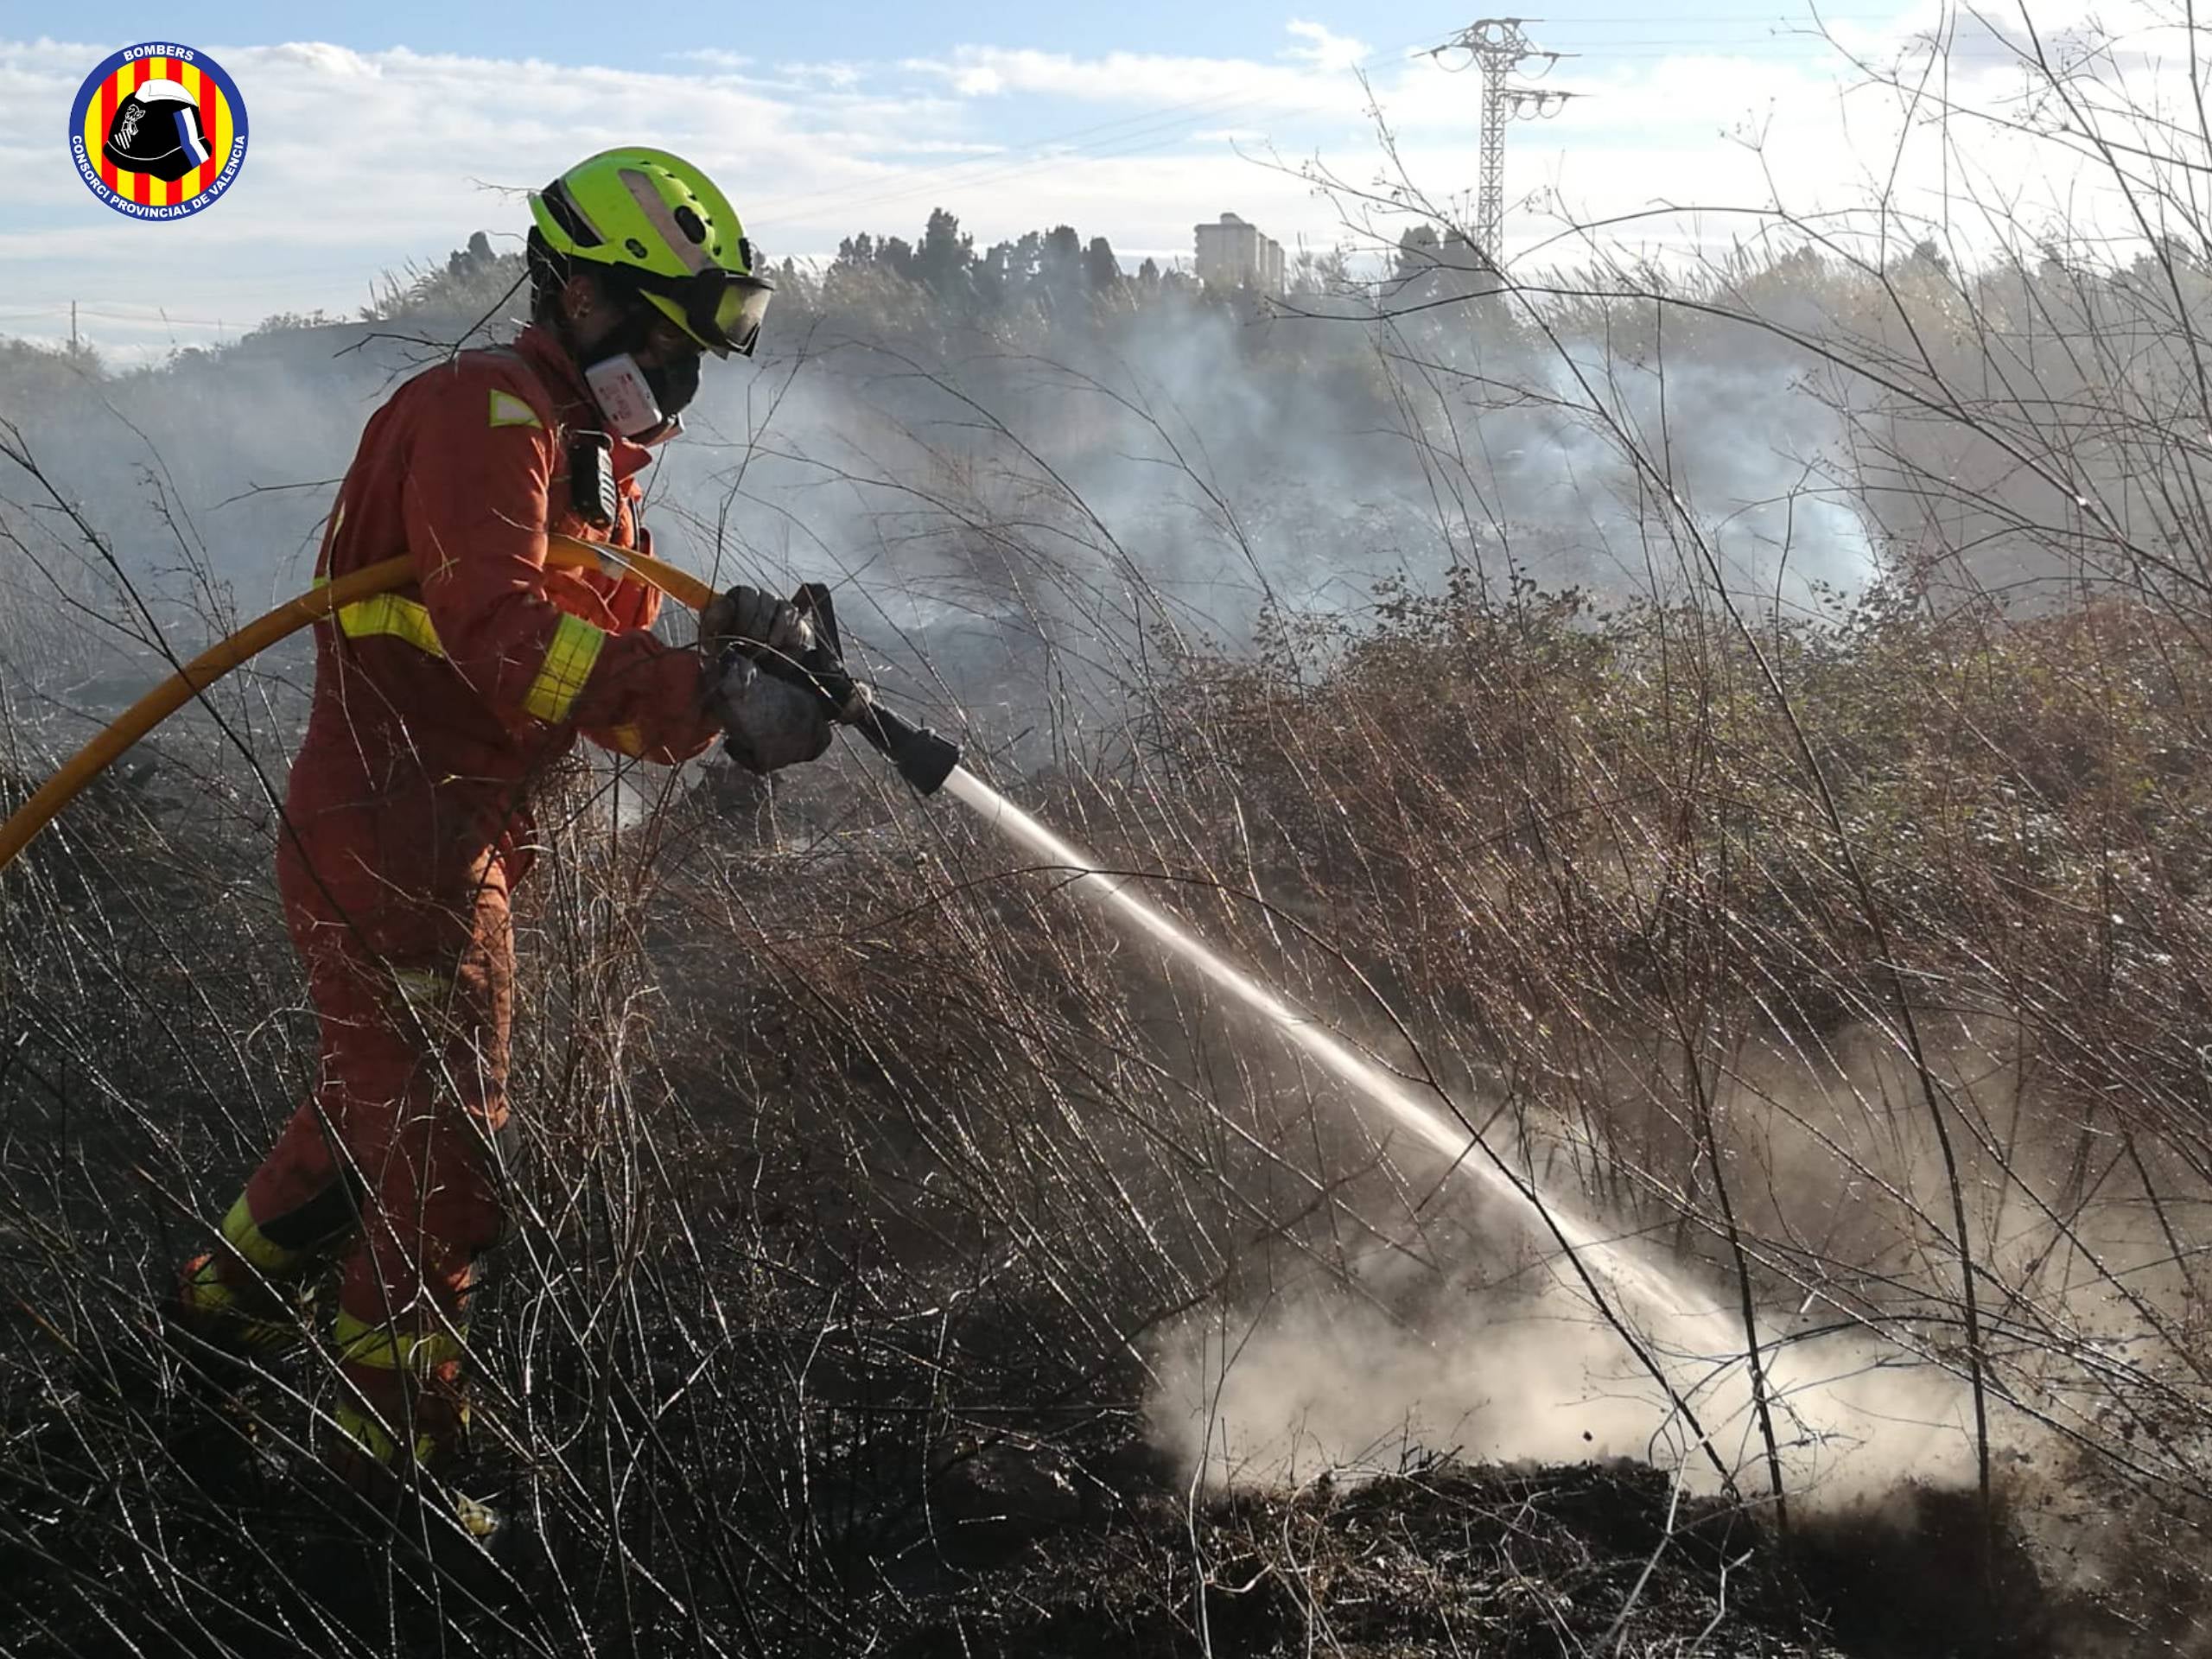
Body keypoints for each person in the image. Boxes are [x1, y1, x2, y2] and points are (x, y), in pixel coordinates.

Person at [165, 148, 826, 1511]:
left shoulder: (579, 452)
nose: (681, 371)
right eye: (664, 334)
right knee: (444, 1163)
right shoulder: (488, 415)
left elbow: (599, 658)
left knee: (367, 1124)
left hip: (431, 837)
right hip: (405, 847)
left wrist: (726, 662)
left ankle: (212, 1327)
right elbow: (505, 638)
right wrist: (698, 694)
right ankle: (389, 1472)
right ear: (581, 293)